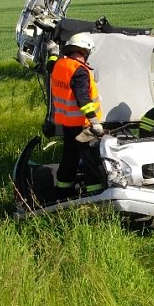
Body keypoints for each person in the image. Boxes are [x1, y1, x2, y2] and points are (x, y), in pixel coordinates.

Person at [50, 33, 104, 198]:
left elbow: (49, 67)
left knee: (69, 157)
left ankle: (62, 191)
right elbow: (83, 100)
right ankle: (95, 193)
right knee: (90, 159)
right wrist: (95, 122)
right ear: (85, 51)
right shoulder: (80, 71)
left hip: (67, 123)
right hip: (83, 125)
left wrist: (53, 53)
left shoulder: (59, 65)